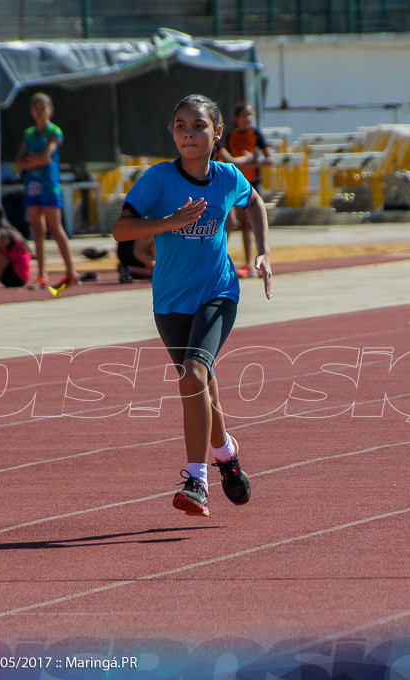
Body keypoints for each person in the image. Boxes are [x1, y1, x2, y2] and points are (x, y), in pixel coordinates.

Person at [113, 94, 272, 517]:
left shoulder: (227, 177)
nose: (189, 132)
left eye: (199, 125)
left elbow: (254, 202)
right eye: (181, 125)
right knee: (199, 381)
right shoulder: (159, 180)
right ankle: (226, 454)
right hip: (169, 300)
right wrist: (168, 222)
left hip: (218, 292)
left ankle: (197, 479)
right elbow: (121, 230)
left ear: (217, 133)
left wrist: (264, 252)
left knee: (194, 372)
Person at [14, 92, 79, 291]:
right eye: (36, 108)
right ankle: (42, 274)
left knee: (55, 226)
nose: (40, 112)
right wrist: (34, 160)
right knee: (37, 228)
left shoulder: (54, 132)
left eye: (43, 108)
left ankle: (71, 272)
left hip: (49, 183)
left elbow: (46, 157)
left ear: (50, 110)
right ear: (32, 112)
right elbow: (18, 162)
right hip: (32, 183)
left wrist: (32, 160)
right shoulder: (28, 134)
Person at [220, 102, 273, 278]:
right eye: (244, 115)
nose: (247, 119)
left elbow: (270, 160)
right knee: (241, 223)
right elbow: (229, 161)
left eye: (250, 115)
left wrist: (253, 162)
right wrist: (247, 160)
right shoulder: (229, 137)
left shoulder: (256, 135)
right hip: (236, 184)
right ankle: (248, 263)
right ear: (236, 118)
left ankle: (262, 260)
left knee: (254, 222)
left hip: (252, 183)